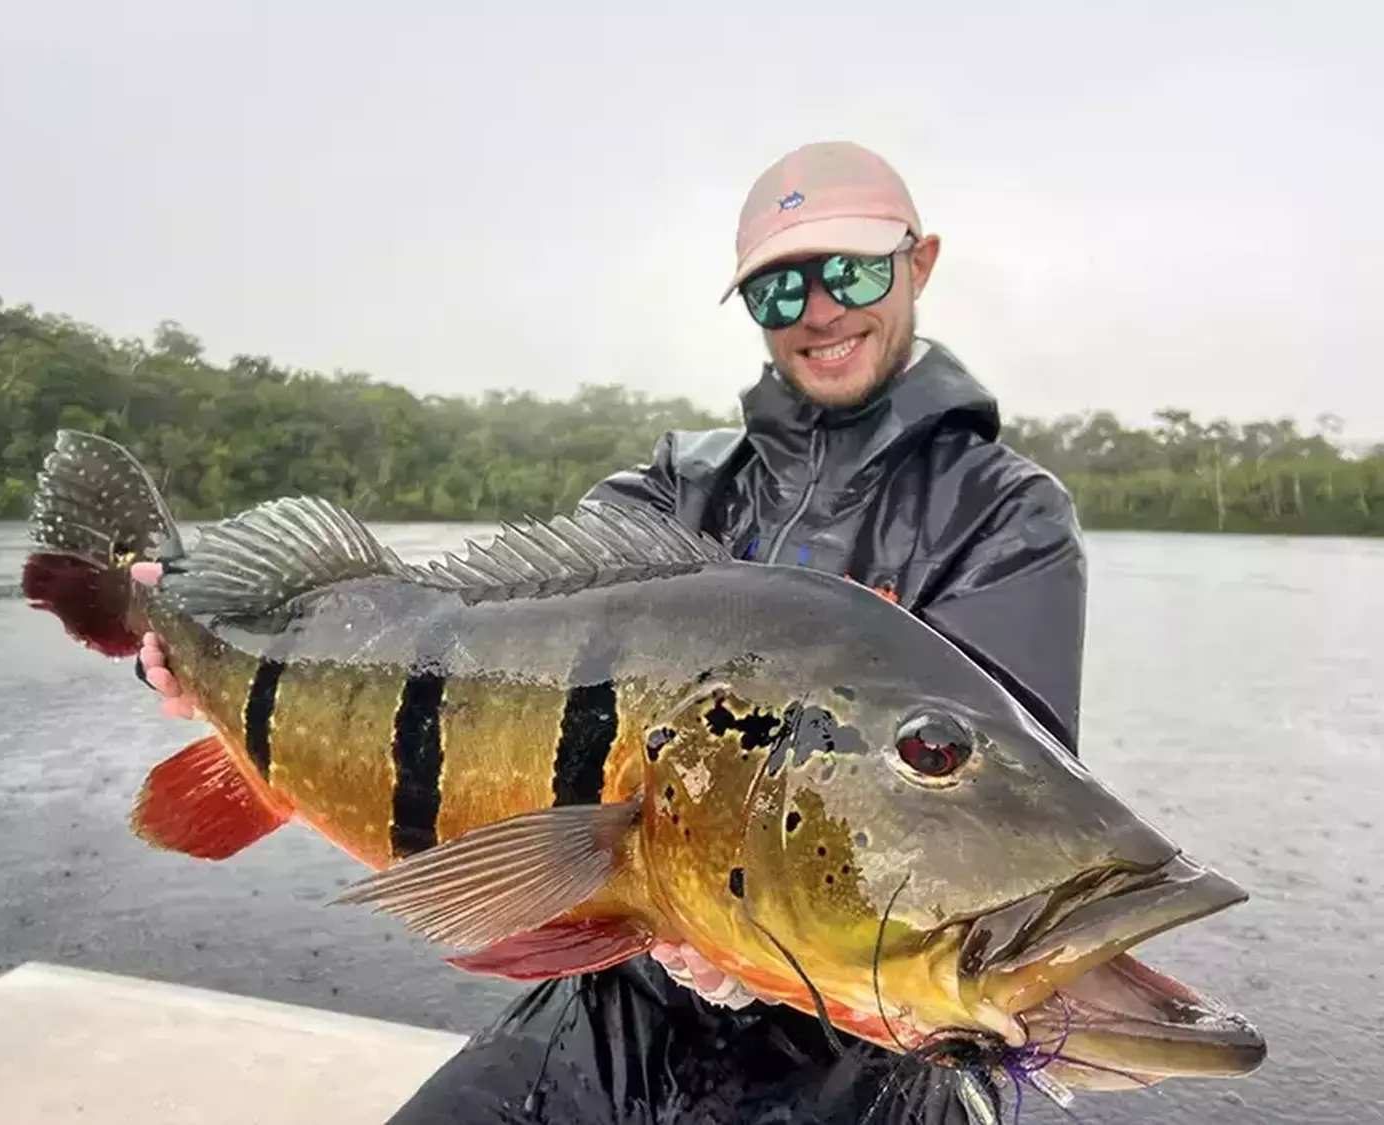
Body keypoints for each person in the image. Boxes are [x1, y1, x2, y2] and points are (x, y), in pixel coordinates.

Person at [133, 140, 1088, 1124]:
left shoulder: (1006, 514)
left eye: (851, 271)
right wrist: (203, 645)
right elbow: (445, 643)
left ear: (919, 263)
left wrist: (751, 943)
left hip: (874, 1049)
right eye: (777, 289)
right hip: (627, 996)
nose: (817, 310)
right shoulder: (671, 491)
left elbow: (1004, 823)